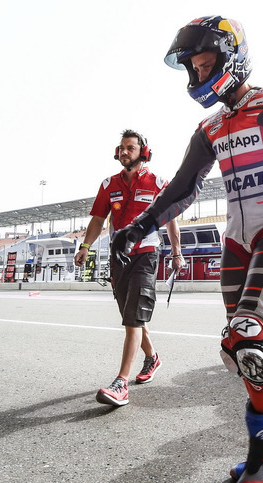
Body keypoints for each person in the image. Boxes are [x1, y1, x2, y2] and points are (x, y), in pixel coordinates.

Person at [110, 17, 263, 483]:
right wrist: (137, 227)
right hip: (234, 241)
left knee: (250, 336)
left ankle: (262, 462)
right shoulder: (210, 126)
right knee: (240, 349)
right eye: (193, 67)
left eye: (206, 63)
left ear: (232, 56)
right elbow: (182, 188)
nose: (198, 74)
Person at [74, 130, 185, 407]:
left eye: (130, 147)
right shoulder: (108, 184)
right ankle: (152, 357)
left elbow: (170, 221)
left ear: (143, 151)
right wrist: (85, 247)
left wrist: (177, 253)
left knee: (133, 315)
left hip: (147, 253)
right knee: (129, 314)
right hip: (118, 256)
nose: (124, 152)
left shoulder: (159, 183)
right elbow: (98, 220)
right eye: (121, 148)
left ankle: (121, 383)